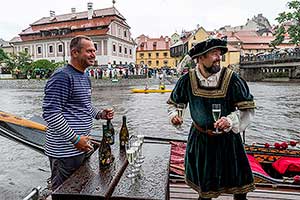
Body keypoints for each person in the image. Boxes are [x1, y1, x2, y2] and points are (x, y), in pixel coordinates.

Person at [167, 38, 256, 200]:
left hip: (228, 141)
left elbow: (247, 109)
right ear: (200, 58)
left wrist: (230, 121)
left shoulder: (232, 79)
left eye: (220, 54)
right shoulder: (187, 80)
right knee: (205, 190)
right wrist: (175, 117)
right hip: (201, 140)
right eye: (214, 54)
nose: (218, 58)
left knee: (239, 190)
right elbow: (175, 105)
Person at [42, 35, 114, 191]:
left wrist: (101, 114)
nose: (94, 55)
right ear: (75, 53)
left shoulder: (84, 76)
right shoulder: (62, 76)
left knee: (79, 188)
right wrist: (75, 139)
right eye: (89, 51)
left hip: (80, 147)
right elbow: (51, 113)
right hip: (64, 151)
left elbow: (85, 106)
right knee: (63, 191)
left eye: (94, 51)